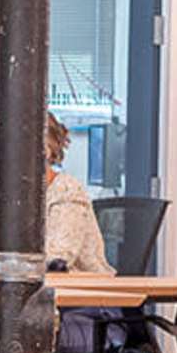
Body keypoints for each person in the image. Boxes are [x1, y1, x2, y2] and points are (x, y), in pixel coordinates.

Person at [40, 111, 109, 275]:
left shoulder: (66, 190)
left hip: (81, 291)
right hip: (37, 291)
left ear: (46, 150)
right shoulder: (13, 198)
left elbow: (59, 258)